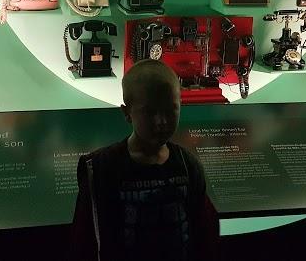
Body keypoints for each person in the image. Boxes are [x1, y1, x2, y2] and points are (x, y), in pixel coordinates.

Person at [69, 59, 220, 261]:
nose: (161, 121)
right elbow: (85, 241)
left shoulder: (190, 166)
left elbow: (205, 237)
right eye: (150, 112)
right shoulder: (98, 169)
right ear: (127, 113)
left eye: (170, 110)